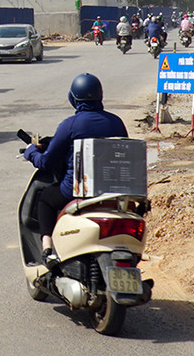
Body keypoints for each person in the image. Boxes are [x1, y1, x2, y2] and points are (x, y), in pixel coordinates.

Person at [22, 73, 128, 266]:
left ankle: (47, 250)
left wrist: (31, 153)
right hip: (112, 190)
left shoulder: (70, 125)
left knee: (46, 199)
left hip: (76, 190)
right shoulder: (116, 122)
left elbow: (46, 162)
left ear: (73, 98)